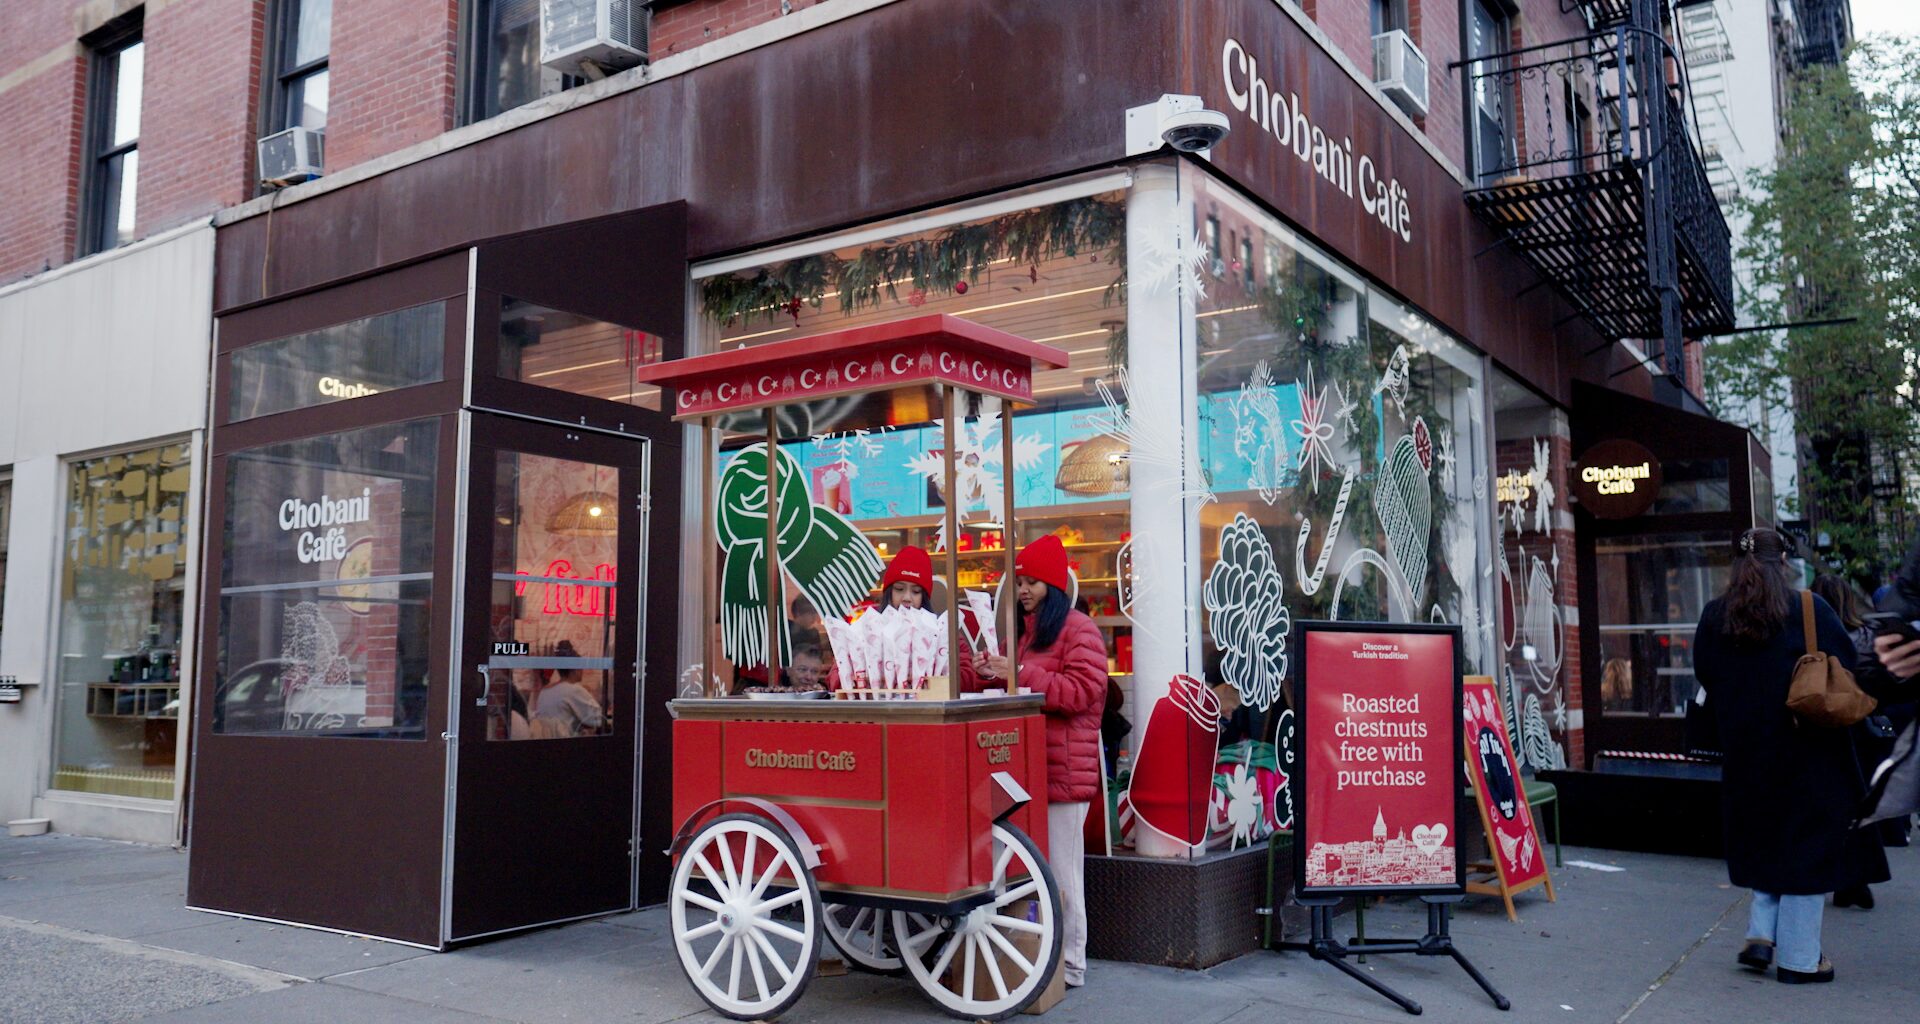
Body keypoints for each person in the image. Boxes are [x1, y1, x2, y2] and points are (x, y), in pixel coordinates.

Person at [1692, 529, 1864, 984]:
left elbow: (1704, 672)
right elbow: (1846, 663)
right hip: (1808, 753)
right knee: (1808, 852)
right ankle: (1801, 959)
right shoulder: (1810, 609)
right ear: (1784, 562)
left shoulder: (1715, 616)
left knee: (1764, 842)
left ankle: (1761, 934)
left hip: (1746, 755)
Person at [971, 535, 1106, 990]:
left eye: (1032, 582)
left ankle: (1071, 963)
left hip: (1064, 772)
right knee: (1033, 871)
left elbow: (1081, 694)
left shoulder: (1080, 629)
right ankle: (1040, 958)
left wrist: (1019, 672)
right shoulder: (1024, 634)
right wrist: (984, 669)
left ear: (1053, 585)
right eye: (1021, 581)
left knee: (1064, 873)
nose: (1023, 589)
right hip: (1026, 769)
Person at [1808, 574, 1894, 909]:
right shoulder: (1864, 635)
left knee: (1825, 807)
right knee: (1858, 806)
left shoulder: (1811, 635)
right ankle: (1856, 878)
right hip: (1861, 728)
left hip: (1822, 728)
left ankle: (1842, 877)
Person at [531, 640, 605, 738]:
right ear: (574, 670)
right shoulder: (574, 690)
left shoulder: (544, 692)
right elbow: (599, 719)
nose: (582, 670)